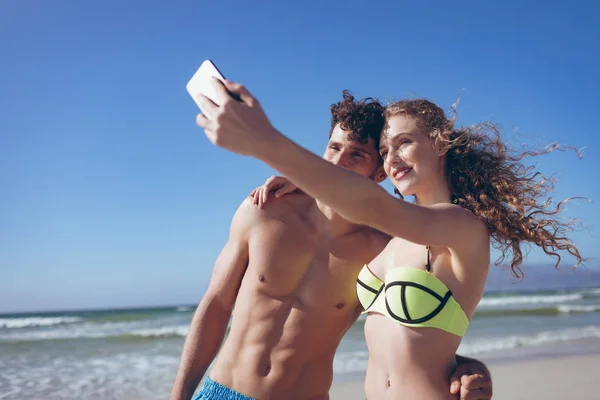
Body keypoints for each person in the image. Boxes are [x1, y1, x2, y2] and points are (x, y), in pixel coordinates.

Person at [195, 78, 584, 399]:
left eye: (404, 143)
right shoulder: (391, 241)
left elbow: (372, 207)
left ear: (440, 143)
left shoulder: (460, 226)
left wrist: (265, 143)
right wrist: (465, 365)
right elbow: (413, 338)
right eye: (384, 150)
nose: (392, 157)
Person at [171, 91, 493, 400]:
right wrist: (179, 396)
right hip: (227, 392)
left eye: (356, 155)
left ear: (378, 173)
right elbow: (215, 305)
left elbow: (410, 333)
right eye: (334, 148)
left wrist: (464, 367)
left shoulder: (380, 249)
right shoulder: (264, 211)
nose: (338, 162)